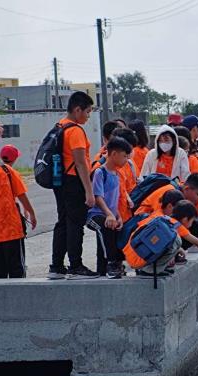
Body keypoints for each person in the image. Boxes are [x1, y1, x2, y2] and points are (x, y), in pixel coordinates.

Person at [49, 91, 97, 280]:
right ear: (77, 110)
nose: (88, 116)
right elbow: (80, 163)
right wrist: (89, 191)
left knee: (62, 222)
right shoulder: (75, 130)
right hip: (73, 181)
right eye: (87, 111)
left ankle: (56, 266)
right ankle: (75, 266)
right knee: (75, 224)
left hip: (60, 181)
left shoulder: (59, 126)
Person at [124, 198, 198, 277]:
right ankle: (151, 270)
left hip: (130, 255)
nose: (191, 225)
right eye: (191, 221)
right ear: (185, 219)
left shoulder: (162, 218)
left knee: (174, 243)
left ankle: (148, 268)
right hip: (138, 261)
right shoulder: (176, 227)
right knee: (177, 240)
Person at [86, 137, 132, 278]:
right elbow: (98, 197)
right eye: (124, 156)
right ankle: (112, 263)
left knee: (115, 230)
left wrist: (117, 216)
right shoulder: (101, 172)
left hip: (109, 215)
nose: (126, 160)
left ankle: (103, 268)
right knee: (105, 228)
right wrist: (109, 214)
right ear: (113, 154)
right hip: (94, 215)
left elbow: (114, 200)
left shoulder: (116, 174)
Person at [0, 145, 37, 278]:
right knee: (17, 270)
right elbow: (22, 195)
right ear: (14, 158)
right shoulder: (7, 171)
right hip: (11, 230)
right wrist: (31, 213)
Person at [111, 127, 139, 224]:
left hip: (127, 215)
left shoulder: (130, 163)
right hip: (113, 217)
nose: (130, 151)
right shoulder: (105, 166)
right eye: (128, 149)